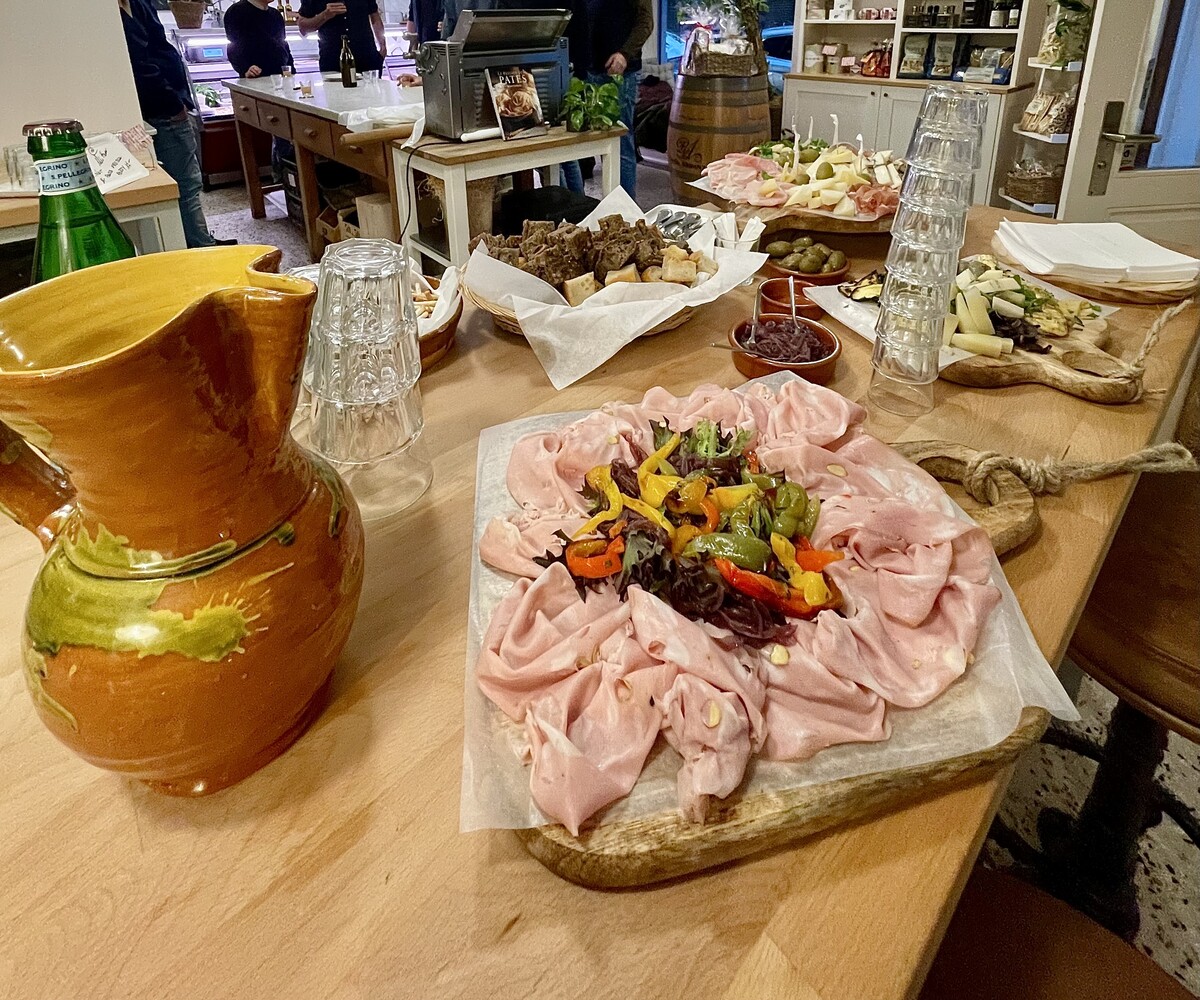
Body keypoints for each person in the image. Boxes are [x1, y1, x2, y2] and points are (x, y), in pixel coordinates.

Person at [118, 0, 230, 248]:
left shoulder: (138, 4)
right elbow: (141, 66)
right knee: (186, 184)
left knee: (185, 185)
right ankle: (200, 247)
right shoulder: (121, 13)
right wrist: (174, 103)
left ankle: (199, 240)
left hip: (164, 106)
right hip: (163, 110)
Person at [561, 0, 653, 199]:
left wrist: (625, 54)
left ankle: (624, 208)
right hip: (584, 70)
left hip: (619, 73)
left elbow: (646, 22)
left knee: (620, 144)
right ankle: (579, 207)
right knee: (576, 141)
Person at [298, 0, 386, 74]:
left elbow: (375, 18)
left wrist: (383, 47)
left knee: (373, 89)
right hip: (333, 61)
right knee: (336, 89)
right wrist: (324, 15)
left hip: (368, 58)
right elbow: (303, 28)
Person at [225, 0, 296, 78]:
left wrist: (291, 70)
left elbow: (283, 45)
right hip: (255, 77)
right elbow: (233, 47)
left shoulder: (276, 14)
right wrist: (245, 69)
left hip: (280, 77)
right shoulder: (236, 11)